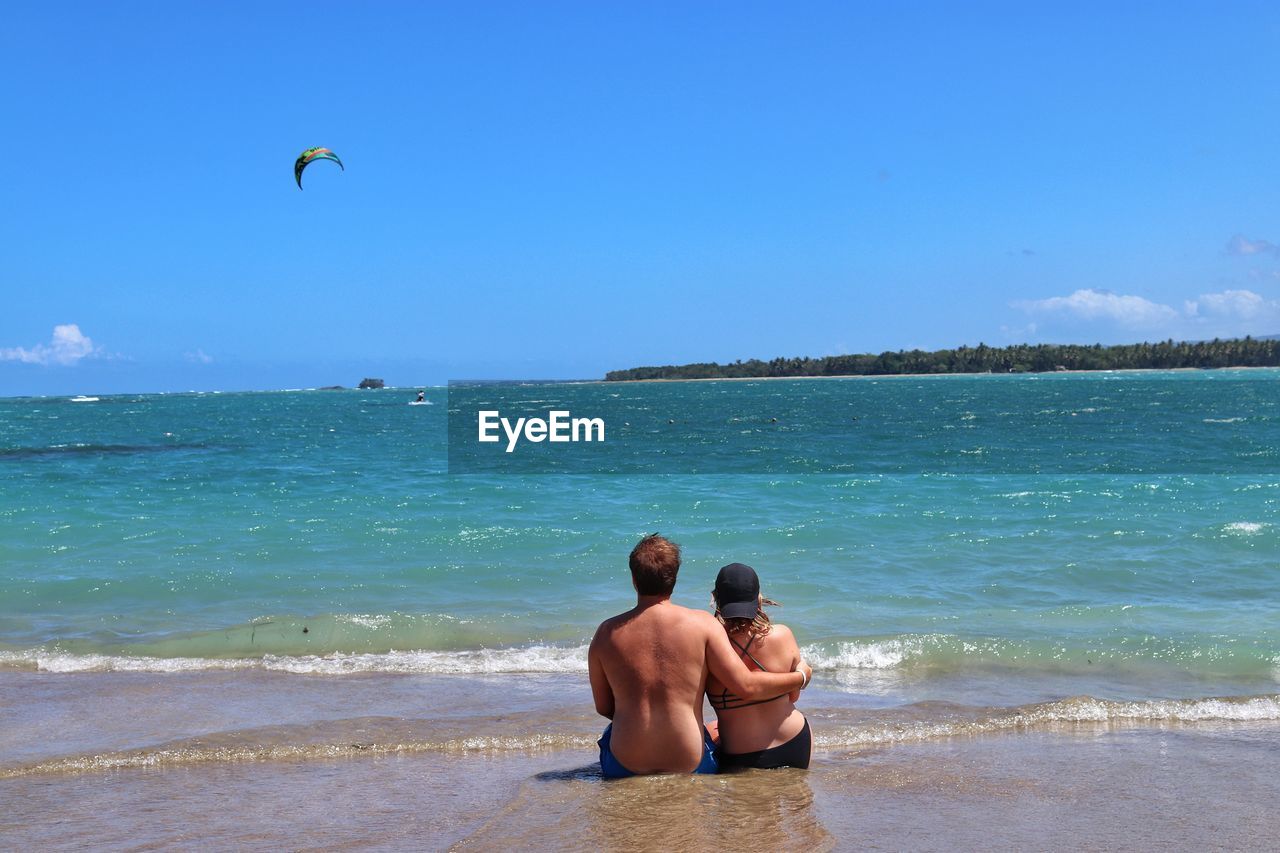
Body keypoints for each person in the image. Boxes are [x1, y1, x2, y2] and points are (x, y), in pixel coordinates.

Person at [589, 535, 812, 778]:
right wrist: (801, 676)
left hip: (626, 765)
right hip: (690, 762)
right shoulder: (703, 625)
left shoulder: (605, 633)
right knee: (709, 732)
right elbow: (746, 684)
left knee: (612, 734)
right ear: (674, 577)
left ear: (633, 580)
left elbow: (603, 707)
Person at [705, 562, 812, 770]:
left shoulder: (709, 647)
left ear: (716, 599)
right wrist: (802, 675)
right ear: (758, 599)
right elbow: (793, 696)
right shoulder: (782, 635)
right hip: (795, 743)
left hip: (739, 754)